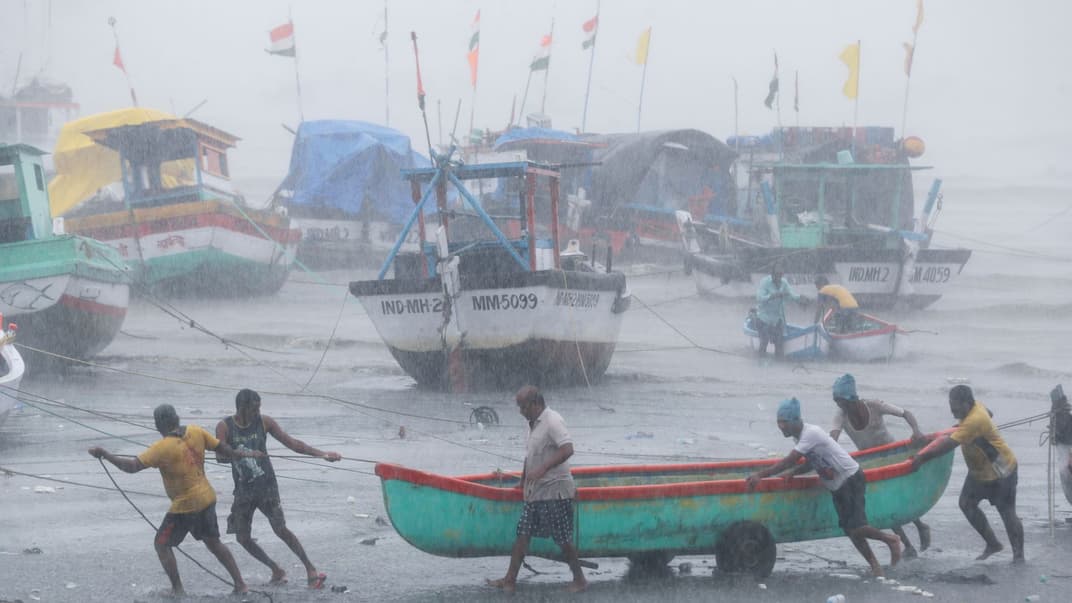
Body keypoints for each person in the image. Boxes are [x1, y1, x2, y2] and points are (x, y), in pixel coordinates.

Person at [88, 404, 259, 596]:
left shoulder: (161, 448)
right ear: (176, 418)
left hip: (186, 505)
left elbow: (132, 467)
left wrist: (105, 455)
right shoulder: (196, 431)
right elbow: (222, 448)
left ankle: (178, 589)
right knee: (214, 543)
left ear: (159, 424)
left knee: (161, 544)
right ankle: (240, 584)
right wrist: (242, 454)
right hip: (208, 497)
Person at [746, 397, 901, 576]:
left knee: (857, 527)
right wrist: (795, 472)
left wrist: (760, 475)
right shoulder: (800, 437)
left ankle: (890, 539)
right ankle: (876, 566)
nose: (780, 426)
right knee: (850, 530)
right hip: (837, 485)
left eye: (784, 422)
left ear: (796, 420)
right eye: (778, 422)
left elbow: (789, 460)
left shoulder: (810, 433)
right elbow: (813, 460)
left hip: (850, 478)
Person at [216, 388, 341, 589]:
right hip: (243, 491)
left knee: (280, 529)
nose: (258, 412)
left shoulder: (265, 422)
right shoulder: (225, 426)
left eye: (259, 408)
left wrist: (323, 454)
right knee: (242, 538)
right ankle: (275, 569)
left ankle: (310, 568)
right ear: (242, 408)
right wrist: (243, 454)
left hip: (267, 486)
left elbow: (293, 444)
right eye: (254, 408)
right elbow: (220, 456)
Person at [487, 386, 587, 594]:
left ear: (536, 403)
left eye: (523, 407)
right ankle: (509, 580)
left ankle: (580, 579)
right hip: (536, 492)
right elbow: (530, 456)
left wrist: (543, 468)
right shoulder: (532, 424)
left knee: (562, 538)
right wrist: (523, 481)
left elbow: (568, 449)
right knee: (522, 534)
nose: (521, 411)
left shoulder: (552, 421)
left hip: (555, 491)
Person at [910, 385, 1024, 563]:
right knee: (966, 504)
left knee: (1007, 513)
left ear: (967, 403)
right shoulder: (975, 408)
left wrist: (921, 458)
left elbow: (948, 445)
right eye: (950, 405)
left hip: (1001, 471)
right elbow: (989, 412)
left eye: (956, 406)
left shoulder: (974, 420)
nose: (952, 410)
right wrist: (963, 428)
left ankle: (1019, 556)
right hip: (979, 471)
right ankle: (993, 544)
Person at [829, 374, 932, 558]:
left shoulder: (874, 405)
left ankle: (920, 526)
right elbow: (833, 438)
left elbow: (905, 413)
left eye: (842, 402)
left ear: (852, 399)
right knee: (887, 505)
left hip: (894, 456)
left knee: (900, 498)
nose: (840, 407)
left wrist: (915, 430)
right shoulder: (841, 416)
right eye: (837, 403)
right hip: (871, 463)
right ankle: (907, 545)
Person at [754, 261, 806, 358]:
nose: (779, 277)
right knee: (764, 341)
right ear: (772, 274)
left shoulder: (784, 283)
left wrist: (800, 299)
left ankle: (779, 365)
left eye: (780, 274)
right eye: (777, 274)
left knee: (779, 345)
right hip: (763, 319)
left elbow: (791, 295)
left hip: (777, 319)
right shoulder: (765, 282)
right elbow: (759, 298)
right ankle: (761, 364)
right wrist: (771, 296)